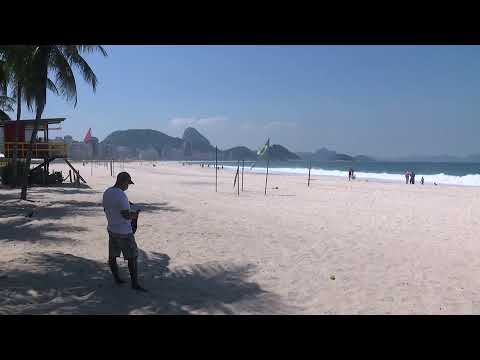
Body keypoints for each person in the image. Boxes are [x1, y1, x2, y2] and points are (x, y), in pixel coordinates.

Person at [102, 172, 147, 292]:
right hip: (124, 232)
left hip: (112, 229)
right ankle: (134, 284)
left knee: (113, 255)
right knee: (132, 257)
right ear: (124, 182)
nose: (128, 186)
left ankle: (116, 279)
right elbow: (126, 215)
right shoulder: (121, 195)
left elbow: (108, 207)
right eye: (128, 183)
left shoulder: (107, 192)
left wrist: (127, 204)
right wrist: (135, 215)